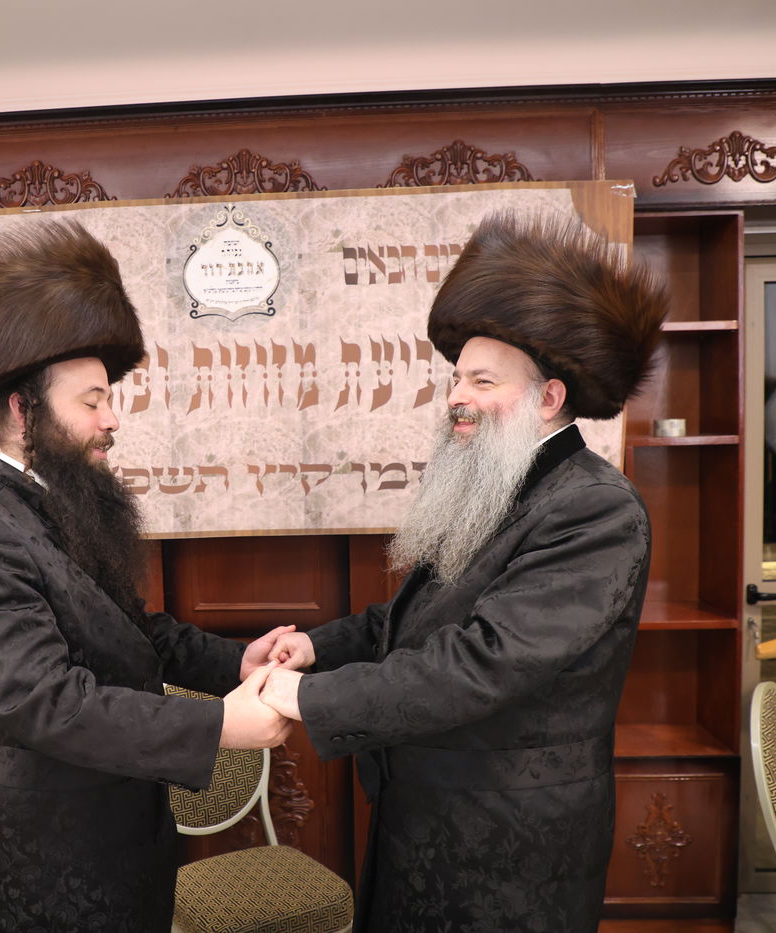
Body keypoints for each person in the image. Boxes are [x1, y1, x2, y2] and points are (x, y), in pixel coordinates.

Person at [250, 214, 668, 932]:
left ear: (549, 397)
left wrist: (306, 696)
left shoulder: (595, 509)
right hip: (430, 823)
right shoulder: (497, 485)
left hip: (511, 849)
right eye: (455, 379)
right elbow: (418, 622)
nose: (455, 397)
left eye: (481, 380)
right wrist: (317, 646)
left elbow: (482, 661)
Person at [0, 219, 294, 932]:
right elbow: (47, 703)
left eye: (109, 399)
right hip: (42, 861)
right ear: (23, 410)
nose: (112, 419)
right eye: (91, 402)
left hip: (121, 838)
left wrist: (235, 660)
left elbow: (134, 632)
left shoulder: (65, 506)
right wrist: (220, 724)